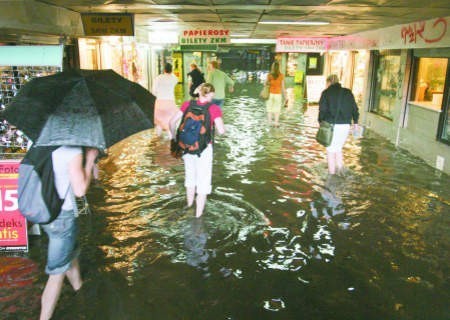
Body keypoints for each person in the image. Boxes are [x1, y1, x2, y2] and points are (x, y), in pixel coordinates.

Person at [40, 146, 99, 320]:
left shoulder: (39, 145)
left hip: (44, 211)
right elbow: (80, 190)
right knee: (56, 273)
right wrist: (89, 160)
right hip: (62, 217)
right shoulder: (71, 150)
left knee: (70, 251)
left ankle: (78, 288)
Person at [169, 83, 225, 218]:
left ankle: (188, 207)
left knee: (190, 179)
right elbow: (221, 131)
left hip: (187, 147)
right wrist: (223, 128)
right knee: (203, 184)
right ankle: (198, 217)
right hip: (204, 149)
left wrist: (173, 139)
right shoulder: (213, 108)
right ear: (211, 94)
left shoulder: (187, 104)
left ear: (199, 93)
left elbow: (171, 122)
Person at [318, 74, 359, 175]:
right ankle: (341, 171)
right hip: (345, 126)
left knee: (330, 151)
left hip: (331, 126)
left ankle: (331, 176)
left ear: (329, 82)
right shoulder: (348, 92)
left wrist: (321, 123)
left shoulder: (326, 93)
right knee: (338, 148)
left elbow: (322, 111)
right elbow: (355, 109)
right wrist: (356, 122)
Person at [152, 63, 179, 139]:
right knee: (170, 122)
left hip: (159, 102)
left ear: (164, 70)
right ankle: (172, 141)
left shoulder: (158, 78)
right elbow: (176, 80)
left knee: (159, 123)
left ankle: (157, 140)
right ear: (171, 70)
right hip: (170, 102)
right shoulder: (174, 78)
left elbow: (153, 91)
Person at [265, 61, 286, 127]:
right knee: (277, 110)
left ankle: (269, 123)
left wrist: (269, 83)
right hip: (278, 95)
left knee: (269, 110)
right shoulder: (281, 76)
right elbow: (283, 87)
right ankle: (276, 123)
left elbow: (265, 84)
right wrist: (285, 97)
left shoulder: (269, 75)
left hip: (270, 94)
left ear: (272, 67)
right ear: (279, 67)